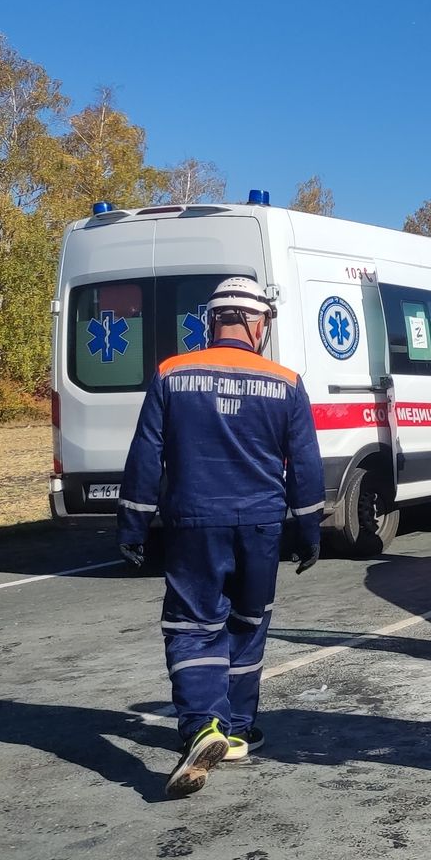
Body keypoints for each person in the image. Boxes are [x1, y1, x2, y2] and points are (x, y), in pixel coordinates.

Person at [118, 277, 323, 798]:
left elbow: (146, 455)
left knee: (192, 626)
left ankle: (203, 725)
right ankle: (232, 729)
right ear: (257, 324)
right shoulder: (286, 382)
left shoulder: (171, 373)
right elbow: (304, 465)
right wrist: (308, 529)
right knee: (247, 623)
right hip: (259, 524)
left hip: (194, 520)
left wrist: (133, 524)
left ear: (212, 322)